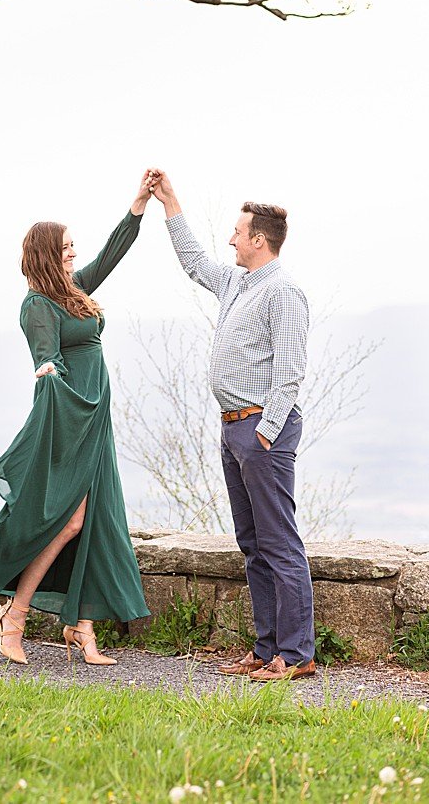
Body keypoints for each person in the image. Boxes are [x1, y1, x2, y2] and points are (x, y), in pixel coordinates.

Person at [0, 176, 153, 666]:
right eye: (64, 247)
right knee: (69, 520)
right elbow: (47, 358)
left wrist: (139, 205)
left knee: (96, 519)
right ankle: (15, 615)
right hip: (70, 419)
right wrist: (48, 373)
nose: (72, 253)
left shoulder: (73, 290)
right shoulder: (38, 305)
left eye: (72, 246)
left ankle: (80, 627)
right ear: (45, 253)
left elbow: (110, 255)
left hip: (95, 420)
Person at [148, 170, 315, 682]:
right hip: (233, 430)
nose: (230, 240)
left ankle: (297, 654)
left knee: (279, 541)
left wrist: (263, 434)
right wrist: (170, 202)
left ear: (258, 240)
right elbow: (196, 263)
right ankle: (266, 649)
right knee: (252, 542)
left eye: (237, 233)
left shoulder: (284, 292)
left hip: (262, 432)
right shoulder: (239, 282)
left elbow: (290, 373)